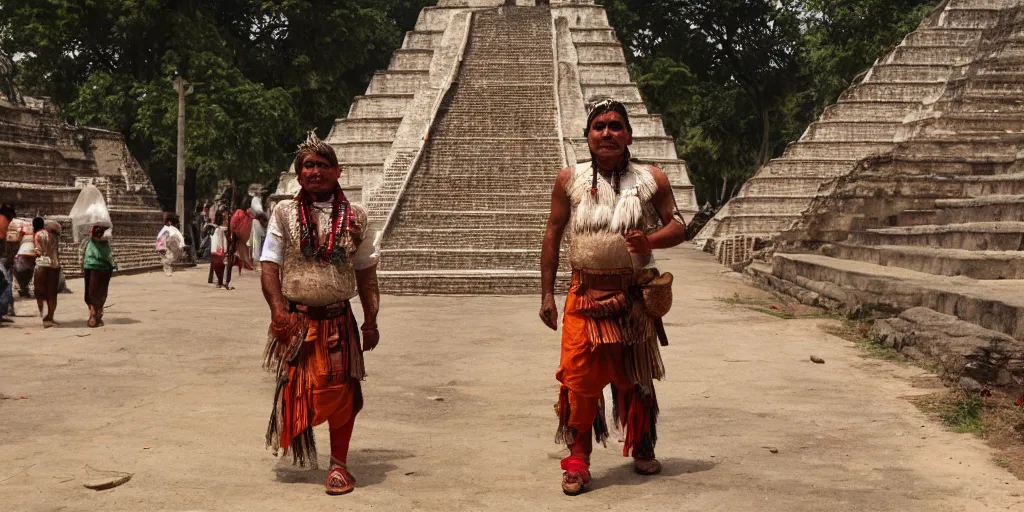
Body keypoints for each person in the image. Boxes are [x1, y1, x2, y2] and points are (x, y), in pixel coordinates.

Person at [539, 99, 687, 495]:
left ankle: (641, 443)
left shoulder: (651, 178)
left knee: (635, 377)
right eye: (599, 127)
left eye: (616, 126)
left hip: (632, 297)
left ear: (629, 135)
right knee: (578, 381)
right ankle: (577, 460)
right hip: (583, 295)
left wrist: (649, 239)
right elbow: (552, 235)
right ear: (587, 137)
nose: (607, 133)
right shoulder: (569, 179)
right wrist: (547, 295)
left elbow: (679, 225)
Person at [260, 132, 380, 496]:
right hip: (295, 321)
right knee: (301, 392)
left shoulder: (357, 216)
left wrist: (371, 320)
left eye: (322, 165)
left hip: (338, 319)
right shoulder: (282, 213)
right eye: (308, 166)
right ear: (298, 175)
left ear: (337, 171)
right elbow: (269, 265)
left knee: (342, 394)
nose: (315, 171)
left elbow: (366, 272)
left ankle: (339, 465)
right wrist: (278, 312)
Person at [82, 225, 116, 327]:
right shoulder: (103, 241)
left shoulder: (91, 241)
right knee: (99, 292)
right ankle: (95, 314)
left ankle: (94, 314)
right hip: (96, 266)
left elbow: (81, 252)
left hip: (96, 266)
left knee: (93, 292)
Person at [34, 219, 63, 328]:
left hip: (42, 266)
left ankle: (43, 314)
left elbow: (38, 251)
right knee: (52, 293)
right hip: (54, 266)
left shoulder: (38, 235)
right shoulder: (54, 237)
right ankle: (49, 317)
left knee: (41, 291)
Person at [13, 217, 37, 297]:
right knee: (27, 273)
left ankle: (24, 288)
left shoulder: (24, 233)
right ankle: (24, 288)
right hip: (29, 256)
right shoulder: (34, 233)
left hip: (23, 256)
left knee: (21, 273)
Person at [208, 211, 229, 288]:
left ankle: (218, 281)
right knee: (220, 266)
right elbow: (221, 241)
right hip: (219, 249)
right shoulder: (219, 229)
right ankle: (220, 281)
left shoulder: (215, 228)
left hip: (215, 249)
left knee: (218, 265)